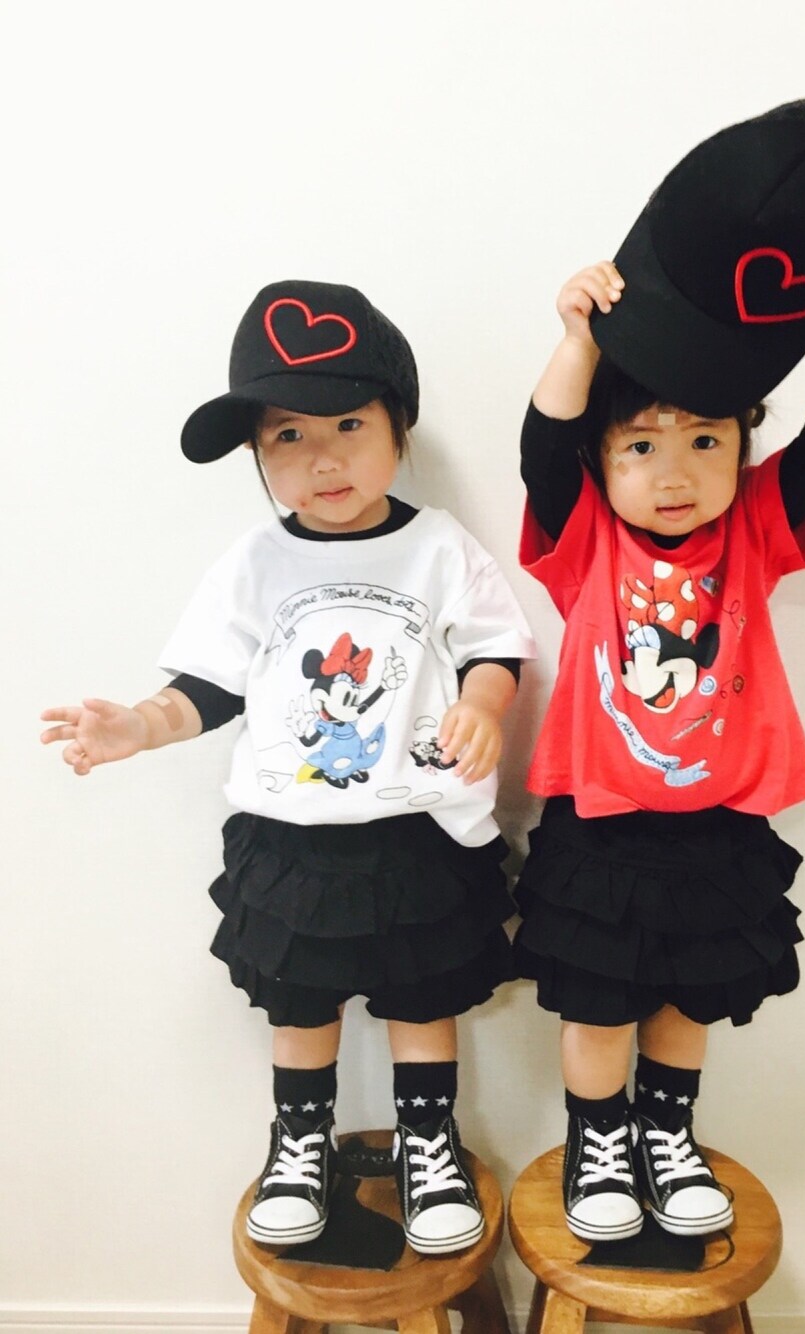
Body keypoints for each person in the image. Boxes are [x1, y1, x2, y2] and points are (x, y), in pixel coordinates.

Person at [40, 280, 535, 1255]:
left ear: (398, 426)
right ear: (259, 458)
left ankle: (427, 1144)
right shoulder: (256, 563)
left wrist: (483, 704)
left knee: (422, 995)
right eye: (286, 437)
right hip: (293, 836)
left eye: (348, 424)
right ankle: (299, 1143)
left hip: (416, 826)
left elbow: (495, 646)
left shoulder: (439, 547)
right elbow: (206, 684)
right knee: (301, 1001)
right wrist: (141, 723)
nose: (323, 458)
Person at [514, 260, 805, 1243]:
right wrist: (575, 342)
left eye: (706, 439)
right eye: (641, 444)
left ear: (742, 445)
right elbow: (541, 449)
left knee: (687, 1001)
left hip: (719, 827)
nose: (675, 472)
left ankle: (666, 1134)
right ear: (602, 459)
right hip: (602, 830)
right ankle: (598, 1142)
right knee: (599, 1008)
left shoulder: (752, 527)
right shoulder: (585, 540)